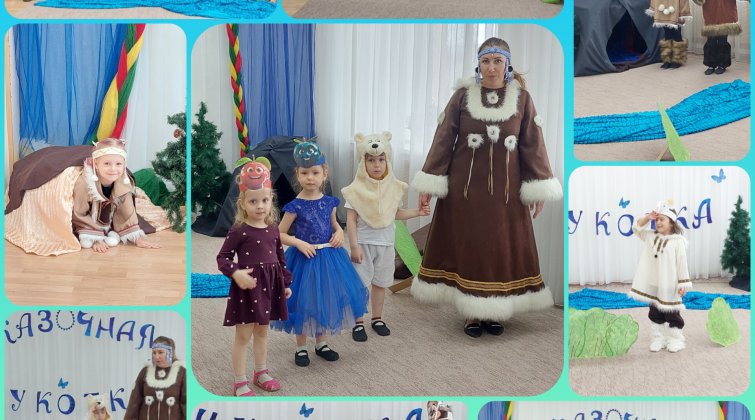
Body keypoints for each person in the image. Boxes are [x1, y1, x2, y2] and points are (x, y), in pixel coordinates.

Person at [412, 37, 562, 338]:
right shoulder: (462, 96)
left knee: (498, 249)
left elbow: (533, 144)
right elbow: (443, 139)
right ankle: (471, 313)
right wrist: (429, 180)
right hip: (465, 192)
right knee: (471, 248)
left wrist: (538, 185)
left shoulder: (522, 99)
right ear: (478, 64)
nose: (491, 67)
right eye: (485, 61)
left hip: (507, 195)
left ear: (507, 64)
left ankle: (495, 311)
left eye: (497, 61)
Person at [271, 140, 369, 366]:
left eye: (315, 172)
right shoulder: (295, 205)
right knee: (302, 301)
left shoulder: (330, 203)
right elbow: (279, 234)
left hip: (329, 258)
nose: (310, 178)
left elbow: (335, 224)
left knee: (324, 298)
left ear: (324, 174)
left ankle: (321, 343)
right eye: (304, 173)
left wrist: (340, 233)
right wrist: (298, 243)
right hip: (304, 259)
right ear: (297, 175)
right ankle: (301, 347)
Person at [5, 138, 164, 255]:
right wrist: (95, 238)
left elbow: (126, 209)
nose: (113, 169)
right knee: (48, 167)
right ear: (96, 165)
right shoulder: (84, 183)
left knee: (123, 193)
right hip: (57, 169)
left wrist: (136, 237)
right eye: (106, 164)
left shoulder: (123, 181)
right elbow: (79, 212)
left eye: (118, 164)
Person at [342, 131, 429, 341]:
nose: (377, 165)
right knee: (360, 283)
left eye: (381, 160)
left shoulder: (393, 188)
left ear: (387, 161)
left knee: (380, 283)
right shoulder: (355, 191)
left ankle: (377, 318)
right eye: (371, 160)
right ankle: (358, 321)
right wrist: (354, 246)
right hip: (363, 244)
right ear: (363, 163)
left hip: (386, 243)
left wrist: (417, 212)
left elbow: (395, 214)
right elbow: (351, 221)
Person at [216, 158, 292, 396]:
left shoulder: (273, 229)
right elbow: (222, 258)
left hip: (269, 288)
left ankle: (261, 372)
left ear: (271, 201)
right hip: (247, 291)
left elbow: (280, 258)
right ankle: (239, 381)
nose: (260, 206)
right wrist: (236, 272)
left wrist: (285, 283)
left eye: (265, 200)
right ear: (242, 203)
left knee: (262, 332)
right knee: (243, 336)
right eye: (253, 201)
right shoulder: (239, 231)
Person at [628, 201, 691, 352]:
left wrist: (683, 284)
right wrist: (647, 217)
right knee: (655, 312)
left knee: (672, 312)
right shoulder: (650, 236)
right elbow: (636, 229)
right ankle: (659, 338)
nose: (658, 223)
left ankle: (675, 339)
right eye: (656, 220)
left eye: (662, 219)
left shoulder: (678, 241)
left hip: (670, 283)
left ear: (671, 222)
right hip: (654, 282)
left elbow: (682, 263)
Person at [124, 336, 187, 420]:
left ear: (170, 352)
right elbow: (134, 402)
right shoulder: (145, 372)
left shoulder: (182, 373)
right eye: (154, 353)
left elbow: (186, 404)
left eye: (160, 352)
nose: (156, 356)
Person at [692, 0, 748, 74]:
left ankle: (722, 65)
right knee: (711, 41)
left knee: (722, 41)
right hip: (711, 10)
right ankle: (711, 65)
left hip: (725, 9)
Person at [647, 0, 692, 69]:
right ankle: (667, 59)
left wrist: (683, 11)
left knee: (676, 33)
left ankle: (677, 60)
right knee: (667, 33)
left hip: (676, 7)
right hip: (662, 6)